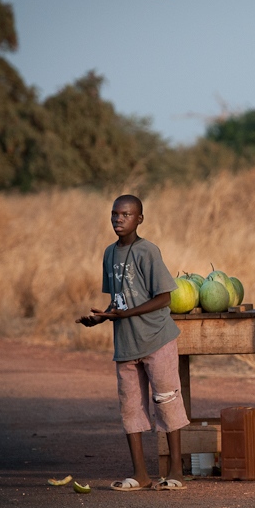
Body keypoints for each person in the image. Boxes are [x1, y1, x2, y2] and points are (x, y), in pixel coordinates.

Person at [76, 194, 189, 491]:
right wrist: (103, 318)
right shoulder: (109, 254)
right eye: (114, 214)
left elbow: (164, 297)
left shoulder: (148, 251)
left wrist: (130, 313)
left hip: (156, 338)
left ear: (140, 218)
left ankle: (176, 471)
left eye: (126, 215)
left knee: (167, 400)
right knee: (131, 408)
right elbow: (119, 298)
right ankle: (140, 474)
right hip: (126, 343)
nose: (118, 219)